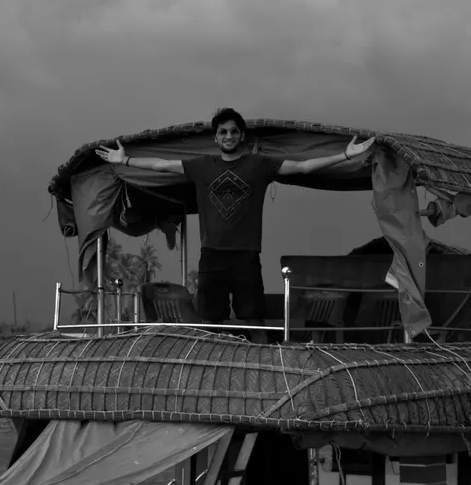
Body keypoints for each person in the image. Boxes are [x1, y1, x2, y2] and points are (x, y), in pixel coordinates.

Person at [95, 108, 375, 339]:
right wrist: (126, 160)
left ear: (241, 136)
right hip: (212, 255)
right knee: (210, 318)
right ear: (216, 138)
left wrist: (346, 155)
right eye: (222, 132)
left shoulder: (259, 165)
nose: (228, 136)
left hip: (246, 255)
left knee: (252, 317)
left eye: (233, 131)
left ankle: (263, 367)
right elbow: (160, 165)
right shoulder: (202, 166)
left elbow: (303, 167)